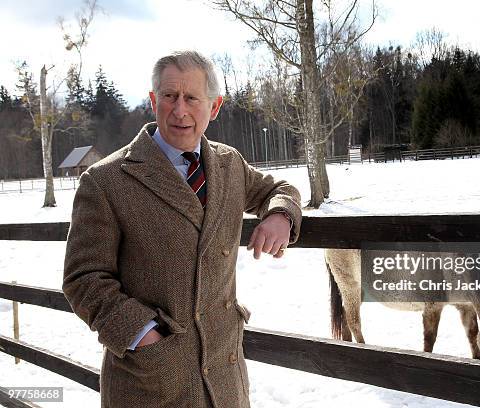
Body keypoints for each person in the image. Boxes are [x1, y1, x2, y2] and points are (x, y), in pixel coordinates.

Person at [63, 50, 302, 408]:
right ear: (152, 100)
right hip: (150, 383)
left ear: (215, 106)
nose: (179, 110)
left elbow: (277, 190)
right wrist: (142, 334)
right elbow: (83, 278)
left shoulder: (228, 164)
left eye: (192, 98)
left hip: (225, 380)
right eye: (169, 96)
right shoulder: (106, 180)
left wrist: (281, 215)